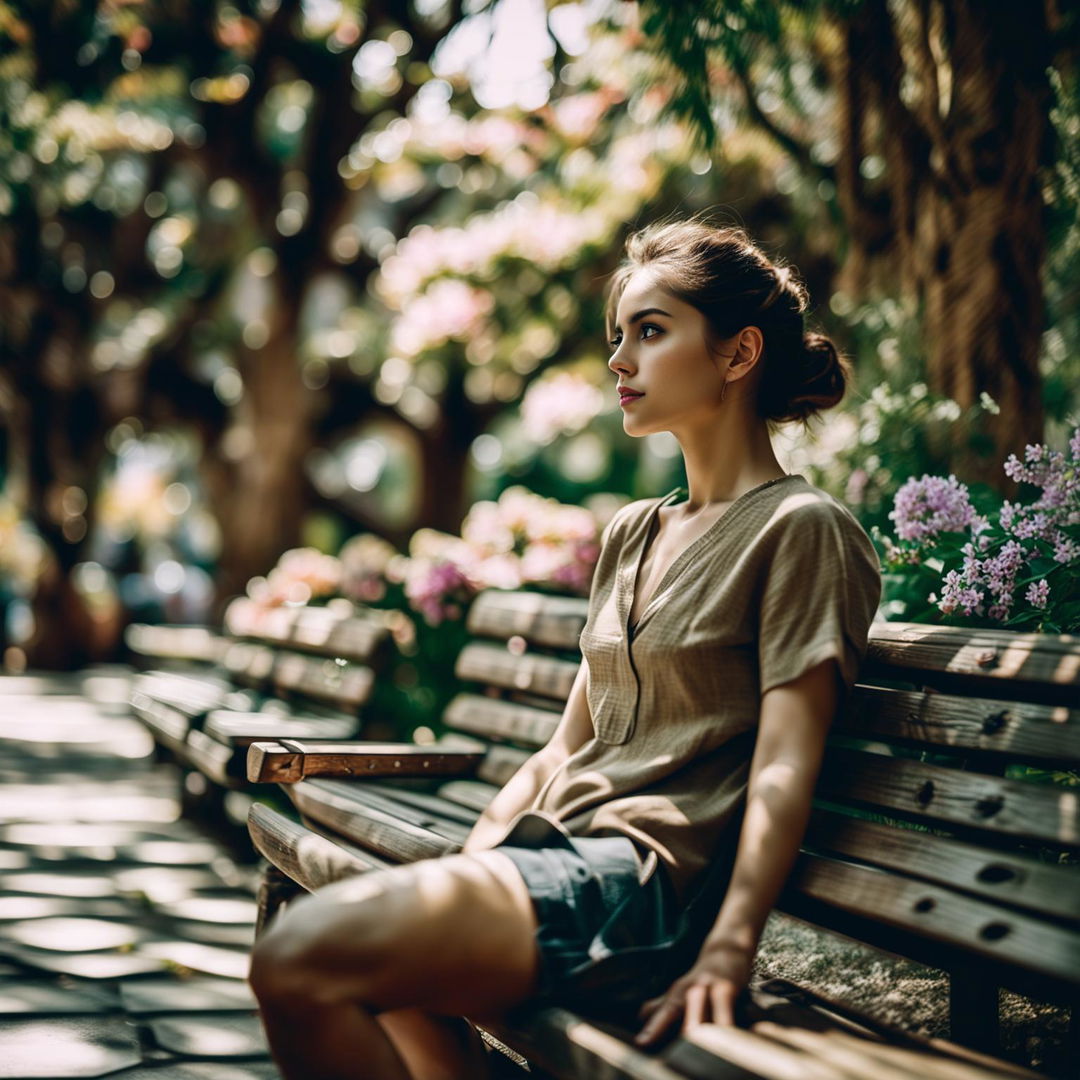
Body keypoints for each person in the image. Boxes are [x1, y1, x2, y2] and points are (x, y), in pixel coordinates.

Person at [248, 217, 884, 1080]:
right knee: (365, 965)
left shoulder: (801, 529)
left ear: (738, 355)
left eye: (651, 333)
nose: (620, 360)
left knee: (300, 959)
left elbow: (782, 765)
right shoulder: (630, 532)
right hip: (554, 854)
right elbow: (566, 745)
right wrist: (472, 869)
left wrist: (732, 946)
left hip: (640, 888)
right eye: (618, 336)